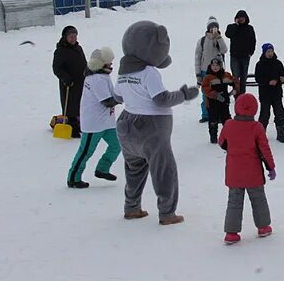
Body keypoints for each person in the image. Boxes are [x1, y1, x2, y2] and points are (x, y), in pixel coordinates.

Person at [115, 21, 198, 225]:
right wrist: (183, 94)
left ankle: (132, 207)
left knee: (134, 170)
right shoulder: (149, 73)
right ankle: (167, 212)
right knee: (163, 170)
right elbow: (161, 99)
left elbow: (117, 97)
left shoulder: (124, 72)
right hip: (151, 129)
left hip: (126, 126)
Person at [219, 93, 276, 244]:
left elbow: (222, 143)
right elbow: (264, 150)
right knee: (258, 200)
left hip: (234, 173)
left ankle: (231, 233)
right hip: (253, 174)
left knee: (234, 202)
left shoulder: (229, 124)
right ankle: (263, 227)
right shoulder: (257, 127)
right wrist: (271, 167)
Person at [67, 47, 122, 189]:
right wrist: (125, 96)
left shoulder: (103, 76)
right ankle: (73, 178)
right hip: (94, 124)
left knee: (116, 145)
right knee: (86, 152)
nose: (111, 64)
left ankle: (102, 169)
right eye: (109, 62)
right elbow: (107, 101)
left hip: (106, 122)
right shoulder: (96, 79)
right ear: (101, 64)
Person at [52, 25, 87, 138]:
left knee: (81, 104)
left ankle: (81, 124)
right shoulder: (60, 51)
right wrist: (65, 78)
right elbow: (57, 68)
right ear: (65, 37)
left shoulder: (78, 48)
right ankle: (73, 129)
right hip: (69, 84)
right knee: (70, 106)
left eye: (75, 36)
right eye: (71, 36)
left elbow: (84, 63)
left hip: (81, 81)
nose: (74, 39)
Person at [195, 16, 228, 123]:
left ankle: (218, 114)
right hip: (205, 70)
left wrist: (218, 38)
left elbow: (224, 50)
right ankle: (205, 114)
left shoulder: (219, 39)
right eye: (211, 27)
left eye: (215, 27)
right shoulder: (202, 40)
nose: (213, 29)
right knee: (206, 93)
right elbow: (197, 57)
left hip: (218, 71)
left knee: (218, 92)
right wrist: (198, 74)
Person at [254, 43, 284, 143]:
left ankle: (281, 133)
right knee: (264, 114)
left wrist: (282, 78)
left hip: (277, 93)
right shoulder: (259, 64)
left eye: (271, 51)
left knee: (279, 112)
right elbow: (258, 78)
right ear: (264, 52)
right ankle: (261, 135)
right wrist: (268, 82)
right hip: (265, 94)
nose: (270, 53)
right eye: (268, 51)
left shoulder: (278, 63)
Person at [201, 57, 239, 144]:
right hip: (212, 103)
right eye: (213, 65)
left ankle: (229, 137)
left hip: (224, 102)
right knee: (213, 120)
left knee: (226, 119)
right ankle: (213, 137)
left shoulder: (226, 75)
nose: (215, 67)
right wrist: (215, 95)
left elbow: (236, 81)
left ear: (220, 66)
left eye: (217, 65)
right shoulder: (208, 77)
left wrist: (235, 89)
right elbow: (205, 89)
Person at [225, 10, 256, 94]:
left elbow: (253, 41)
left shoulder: (250, 28)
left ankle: (242, 94)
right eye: (239, 18)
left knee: (243, 77)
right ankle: (236, 94)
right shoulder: (232, 27)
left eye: (243, 17)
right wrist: (236, 25)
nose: (241, 19)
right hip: (235, 57)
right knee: (235, 77)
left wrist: (251, 52)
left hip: (245, 57)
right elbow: (228, 34)